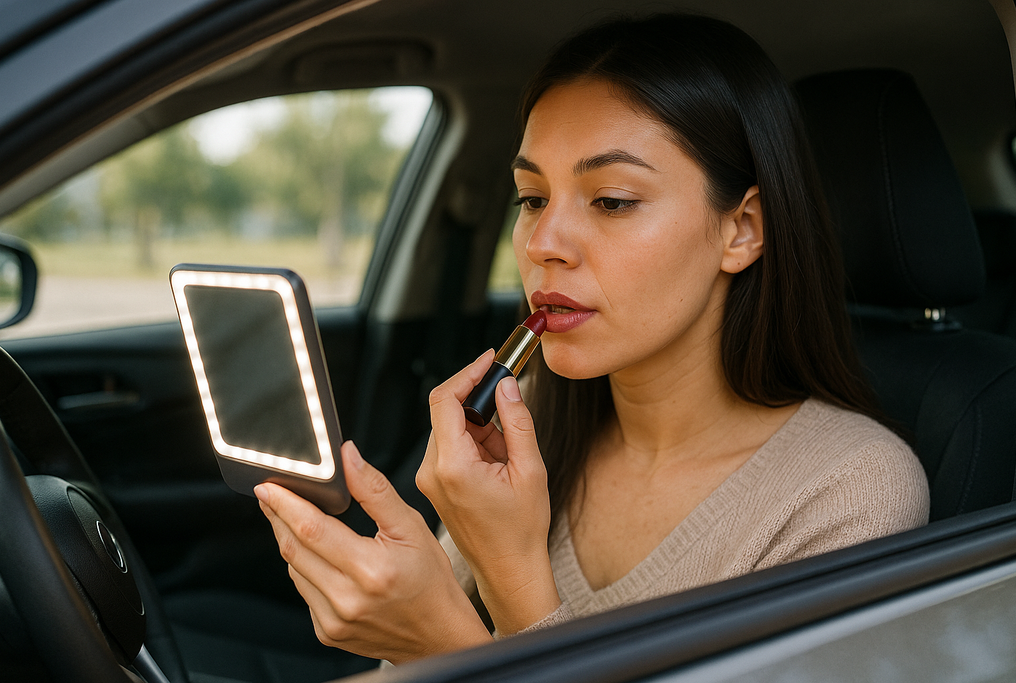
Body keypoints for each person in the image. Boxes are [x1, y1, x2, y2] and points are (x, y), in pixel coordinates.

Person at [253, 13, 930, 665]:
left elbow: (439, 645)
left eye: (610, 200)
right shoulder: (534, 415)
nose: (543, 244)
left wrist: (451, 631)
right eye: (531, 199)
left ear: (742, 229)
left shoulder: (852, 490)